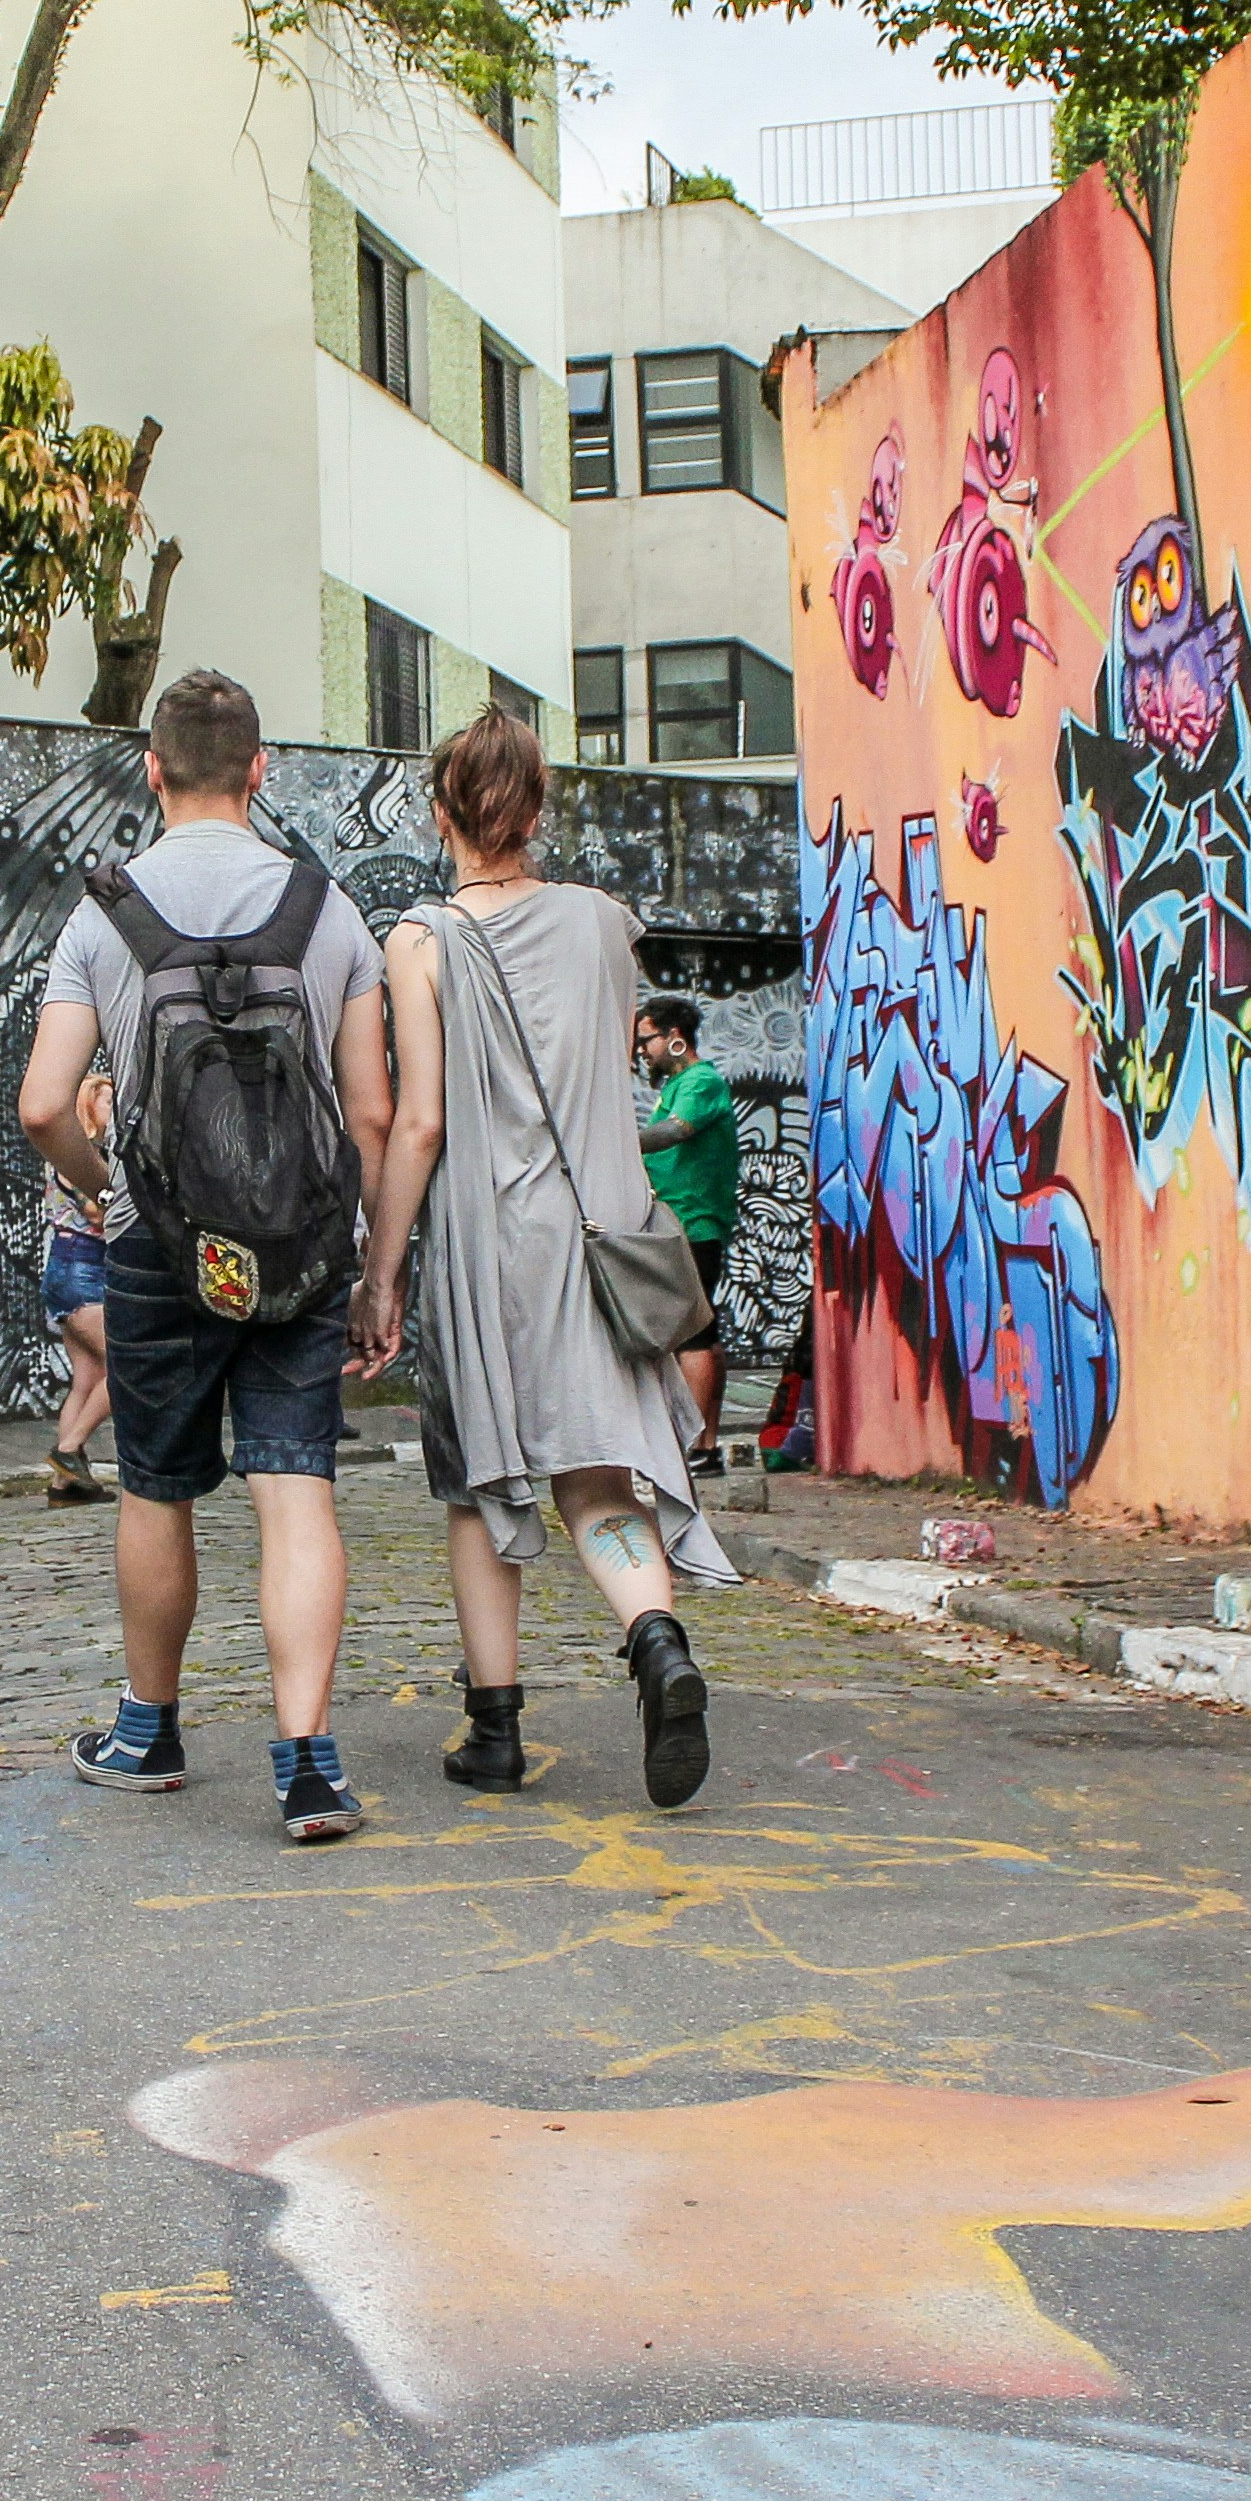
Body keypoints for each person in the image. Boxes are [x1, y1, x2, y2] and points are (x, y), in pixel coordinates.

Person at [17, 671, 393, 1845]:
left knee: (157, 1486)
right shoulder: (328, 909)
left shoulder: (103, 915)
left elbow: (41, 1106)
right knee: (296, 1491)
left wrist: (111, 1192)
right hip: (300, 1250)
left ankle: (149, 1730)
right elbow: (372, 1113)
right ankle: (310, 1763)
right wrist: (375, 1263)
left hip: (161, 1252)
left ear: (153, 769)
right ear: (261, 769)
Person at [360, 709, 730, 1807]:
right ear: (538, 809)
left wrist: (382, 1272)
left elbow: (420, 1122)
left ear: (442, 813)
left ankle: (495, 1733)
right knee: (600, 1469)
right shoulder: (607, 924)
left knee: (485, 1482)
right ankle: (655, 1638)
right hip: (602, 1231)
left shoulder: (417, 940)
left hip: (491, 1239)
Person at [635, 995, 740, 1458]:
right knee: (700, 1328)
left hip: (694, 1222)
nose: (642, 1051)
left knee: (693, 1333)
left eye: (646, 1041)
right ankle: (703, 1443)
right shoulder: (679, 1084)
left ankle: (699, 1446)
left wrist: (615, 1140)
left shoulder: (701, 1081)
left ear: (674, 1038)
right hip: (679, 1221)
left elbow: (676, 1132)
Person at [40, 1071, 120, 1503]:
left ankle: (65, 1486)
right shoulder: (78, 1156)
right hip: (81, 1268)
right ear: (89, 1107)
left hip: (73, 1267)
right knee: (127, 1364)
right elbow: (98, 1214)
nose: (115, 1110)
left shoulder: (94, 1154)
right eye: (108, 1103)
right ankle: (68, 1451)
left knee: (88, 1378)